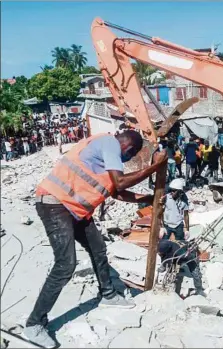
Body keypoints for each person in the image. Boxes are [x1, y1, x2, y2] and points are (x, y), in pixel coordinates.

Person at [23, 130, 167, 348]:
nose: (126, 160)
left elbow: (117, 192)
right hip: (55, 204)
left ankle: (108, 294)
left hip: (74, 209)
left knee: (98, 248)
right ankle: (34, 323)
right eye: (129, 156)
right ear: (129, 149)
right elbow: (120, 184)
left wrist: (148, 198)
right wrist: (155, 166)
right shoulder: (109, 143)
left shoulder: (105, 155)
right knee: (65, 264)